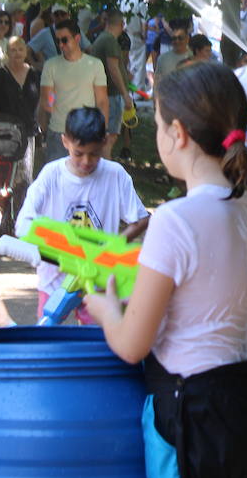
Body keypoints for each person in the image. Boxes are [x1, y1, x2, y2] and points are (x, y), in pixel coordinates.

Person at [86, 61, 247, 478]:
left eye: (156, 125)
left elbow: (133, 343)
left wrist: (105, 307)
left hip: (194, 415)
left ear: (177, 133)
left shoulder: (175, 220)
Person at [16, 107, 149, 323]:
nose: (86, 161)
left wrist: (109, 249)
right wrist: (50, 248)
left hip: (98, 282)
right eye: (79, 153)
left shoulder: (115, 175)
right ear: (65, 141)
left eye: (94, 154)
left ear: (105, 142)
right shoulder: (51, 175)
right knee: (47, 339)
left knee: (98, 343)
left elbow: (141, 219)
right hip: (54, 281)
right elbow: (24, 223)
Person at [39, 18, 108, 163]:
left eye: (64, 40)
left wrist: (102, 130)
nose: (60, 45)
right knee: (56, 181)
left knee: (86, 180)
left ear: (77, 38)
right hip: (59, 132)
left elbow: (102, 101)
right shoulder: (51, 65)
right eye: (57, 41)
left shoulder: (95, 65)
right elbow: (48, 99)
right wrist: (51, 101)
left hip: (87, 132)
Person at [87, 10, 131, 158]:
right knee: (109, 138)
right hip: (111, 96)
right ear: (122, 24)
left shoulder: (103, 38)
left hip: (104, 95)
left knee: (105, 138)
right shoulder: (110, 40)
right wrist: (125, 95)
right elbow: (113, 69)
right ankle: (105, 174)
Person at [0, 36, 41, 134]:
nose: (17, 53)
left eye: (21, 49)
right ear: (7, 53)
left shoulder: (35, 75)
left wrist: (45, 116)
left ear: (25, 52)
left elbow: (48, 97)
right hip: (5, 133)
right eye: (13, 50)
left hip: (29, 130)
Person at [27, 4, 71, 69]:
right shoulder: (44, 29)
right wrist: (36, 65)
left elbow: (88, 49)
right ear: (52, 16)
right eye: (56, 14)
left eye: (63, 14)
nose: (60, 17)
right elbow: (30, 49)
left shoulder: (75, 30)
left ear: (68, 15)